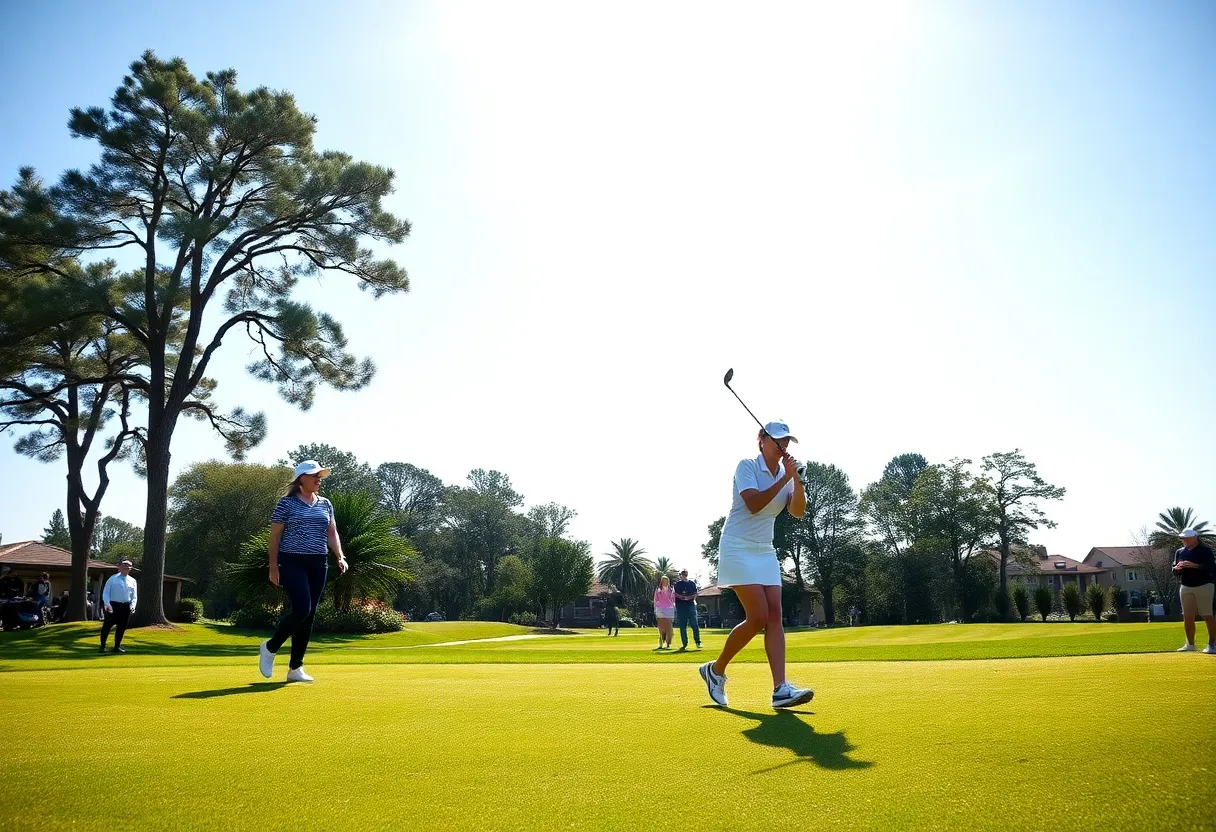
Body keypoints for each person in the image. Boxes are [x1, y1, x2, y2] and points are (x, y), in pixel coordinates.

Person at [699, 420, 814, 709]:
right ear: (761, 440)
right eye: (777, 440)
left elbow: (797, 512)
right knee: (759, 615)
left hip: (765, 550)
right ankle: (715, 670)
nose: (782, 446)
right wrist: (784, 479)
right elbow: (754, 504)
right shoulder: (746, 466)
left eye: (786, 441)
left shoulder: (786, 474)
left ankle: (780, 689)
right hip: (737, 545)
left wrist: (796, 481)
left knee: (774, 614)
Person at [259, 460, 349, 682]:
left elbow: (331, 532)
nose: (319, 478)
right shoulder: (286, 504)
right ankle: (270, 648)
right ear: (302, 479)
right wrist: (273, 566)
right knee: (301, 609)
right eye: (314, 475)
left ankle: (295, 668)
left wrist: (340, 555)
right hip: (292, 561)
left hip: (318, 562)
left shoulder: (326, 504)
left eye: (320, 475)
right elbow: (275, 537)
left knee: (308, 616)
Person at [1173, 529, 1216, 654]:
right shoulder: (1179, 552)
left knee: (1207, 615)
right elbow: (1174, 569)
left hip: (1204, 585)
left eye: (1187, 538)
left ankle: (1212, 644)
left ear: (1195, 538)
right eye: (1183, 538)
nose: (1184, 540)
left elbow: (1212, 567)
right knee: (1187, 616)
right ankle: (1190, 644)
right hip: (1186, 586)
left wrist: (1194, 565)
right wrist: (1176, 568)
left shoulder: (1205, 551)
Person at [100, 560, 137, 653]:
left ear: (130, 568)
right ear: (119, 567)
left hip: (125, 606)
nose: (126, 567)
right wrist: (107, 604)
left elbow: (134, 596)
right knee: (107, 626)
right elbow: (106, 593)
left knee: (121, 627)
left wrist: (133, 606)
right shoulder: (112, 579)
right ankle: (102, 646)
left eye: (128, 566)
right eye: (124, 565)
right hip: (113, 605)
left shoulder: (132, 581)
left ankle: (116, 647)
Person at [673, 568, 702, 650]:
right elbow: (675, 594)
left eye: (685, 574)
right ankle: (684, 644)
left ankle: (698, 642)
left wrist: (688, 598)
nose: (683, 576)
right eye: (682, 574)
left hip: (690, 605)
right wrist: (682, 597)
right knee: (682, 626)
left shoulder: (692, 584)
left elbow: (696, 594)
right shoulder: (677, 584)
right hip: (680, 606)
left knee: (694, 624)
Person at [654, 575, 676, 649]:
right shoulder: (658, 590)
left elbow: (673, 600)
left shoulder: (672, 590)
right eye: (663, 581)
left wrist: (673, 607)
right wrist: (655, 609)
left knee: (669, 627)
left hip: (669, 609)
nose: (665, 582)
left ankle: (668, 644)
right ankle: (661, 644)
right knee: (661, 627)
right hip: (660, 609)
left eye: (666, 581)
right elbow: (655, 600)